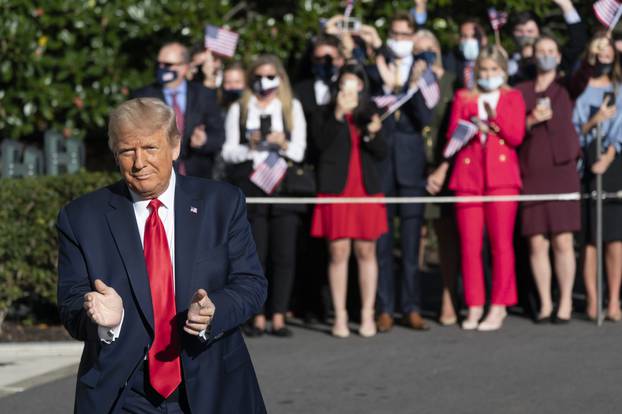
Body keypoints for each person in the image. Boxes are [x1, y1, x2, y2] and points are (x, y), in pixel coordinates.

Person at [57, 98, 267, 413]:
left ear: (175, 146)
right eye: (128, 151)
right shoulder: (82, 218)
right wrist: (105, 322)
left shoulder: (221, 204)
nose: (139, 162)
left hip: (212, 383)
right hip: (124, 391)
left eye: (151, 149)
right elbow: (72, 305)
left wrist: (214, 310)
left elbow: (251, 283)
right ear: (116, 154)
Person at [222, 55, 307, 337]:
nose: (264, 82)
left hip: (283, 184)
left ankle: (279, 315)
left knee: (284, 254)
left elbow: (299, 151)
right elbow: (227, 152)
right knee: (256, 254)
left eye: (270, 76)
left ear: (280, 78)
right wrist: (251, 144)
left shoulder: (291, 106)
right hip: (252, 184)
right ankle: (256, 315)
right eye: (258, 76)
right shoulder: (240, 108)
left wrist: (282, 143)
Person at [444, 45, 526, 331]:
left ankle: (499, 304)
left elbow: (516, 135)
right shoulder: (463, 97)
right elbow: (451, 135)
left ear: (503, 71)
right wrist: (469, 125)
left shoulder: (512, 97)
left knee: (501, 244)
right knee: (469, 246)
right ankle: (474, 303)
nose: (488, 74)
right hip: (468, 177)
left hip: (501, 178)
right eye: (484, 69)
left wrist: (495, 118)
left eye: (493, 69)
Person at [311, 64, 388, 338]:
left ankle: (368, 313)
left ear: (362, 87)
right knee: (338, 252)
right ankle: (340, 314)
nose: (350, 89)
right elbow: (319, 145)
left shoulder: (370, 113)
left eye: (355, 83)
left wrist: (372, 131)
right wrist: (338, 115)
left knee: (367, 251)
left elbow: (381, 152)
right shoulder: (324, 113)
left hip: (365, 188)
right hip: (336, 188)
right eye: (345, 83)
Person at [372, 11, 434, 333]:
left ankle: (411, 307)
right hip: (382, 165)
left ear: (413, 37)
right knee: (382, 244)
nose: (399, 40)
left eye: (404, 35)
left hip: (411, 166)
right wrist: (386, 80)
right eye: (394, 34)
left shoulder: (424, 71)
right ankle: (385, 308)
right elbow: (367, 108)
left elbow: (426, 117)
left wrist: (409, 86)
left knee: (411, 243)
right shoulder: (376, 66)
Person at [516, 35, 581, 323]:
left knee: (563, 241)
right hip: (531, 171)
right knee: (536, 243)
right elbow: (512, 129)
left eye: (551, 51)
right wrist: (530, 121)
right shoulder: (520, 91)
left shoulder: (566, 87)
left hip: (561, 172)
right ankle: (544, 303)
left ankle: (565, 301)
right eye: (541, 51)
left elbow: (586, 69)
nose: (546, 55)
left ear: (558, 56)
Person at [573, 33, 622, 322]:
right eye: (599, 51)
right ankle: (593, 299)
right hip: (586, 164)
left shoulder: (619, 89)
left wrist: (610, 155)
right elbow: (573, 128)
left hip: (613, 165)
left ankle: (614, 299)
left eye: (608, 52)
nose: (604, 56)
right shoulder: (580, 89)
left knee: (614, 239)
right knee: (590, 239)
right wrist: (594, 122)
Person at [417, 29, 460, 326]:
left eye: (429, 48)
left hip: (444, 166)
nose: (425, 55)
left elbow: (460, 125)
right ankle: (411, 300)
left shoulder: (452, 81)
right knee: (412, 236)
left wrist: (444, 167)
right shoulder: (406, 80)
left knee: (446, 235)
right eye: (418, 50)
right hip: (411, 165)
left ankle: (449, 295)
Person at [132, 42, 225, 179]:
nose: (162, 68)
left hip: (197, 176)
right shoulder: (142, 97)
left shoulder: (204, 94)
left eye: (168, 65)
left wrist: (204, 140)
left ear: (184, 67)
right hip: (156, 175)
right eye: (159, 64)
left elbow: (218, 136)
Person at [508, 0, 587, 85]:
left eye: (530, 31)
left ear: (538, 32)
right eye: (519, 31)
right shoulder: (508, 61)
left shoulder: (553, 59)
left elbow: (578, 42)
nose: (525, 36)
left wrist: (566, 6)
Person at [444, 19, 489, 90]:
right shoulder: (452, 59)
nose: (469, 40)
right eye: (464, 36)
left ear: (484, 39)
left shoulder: (492, 59)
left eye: (474, 36)